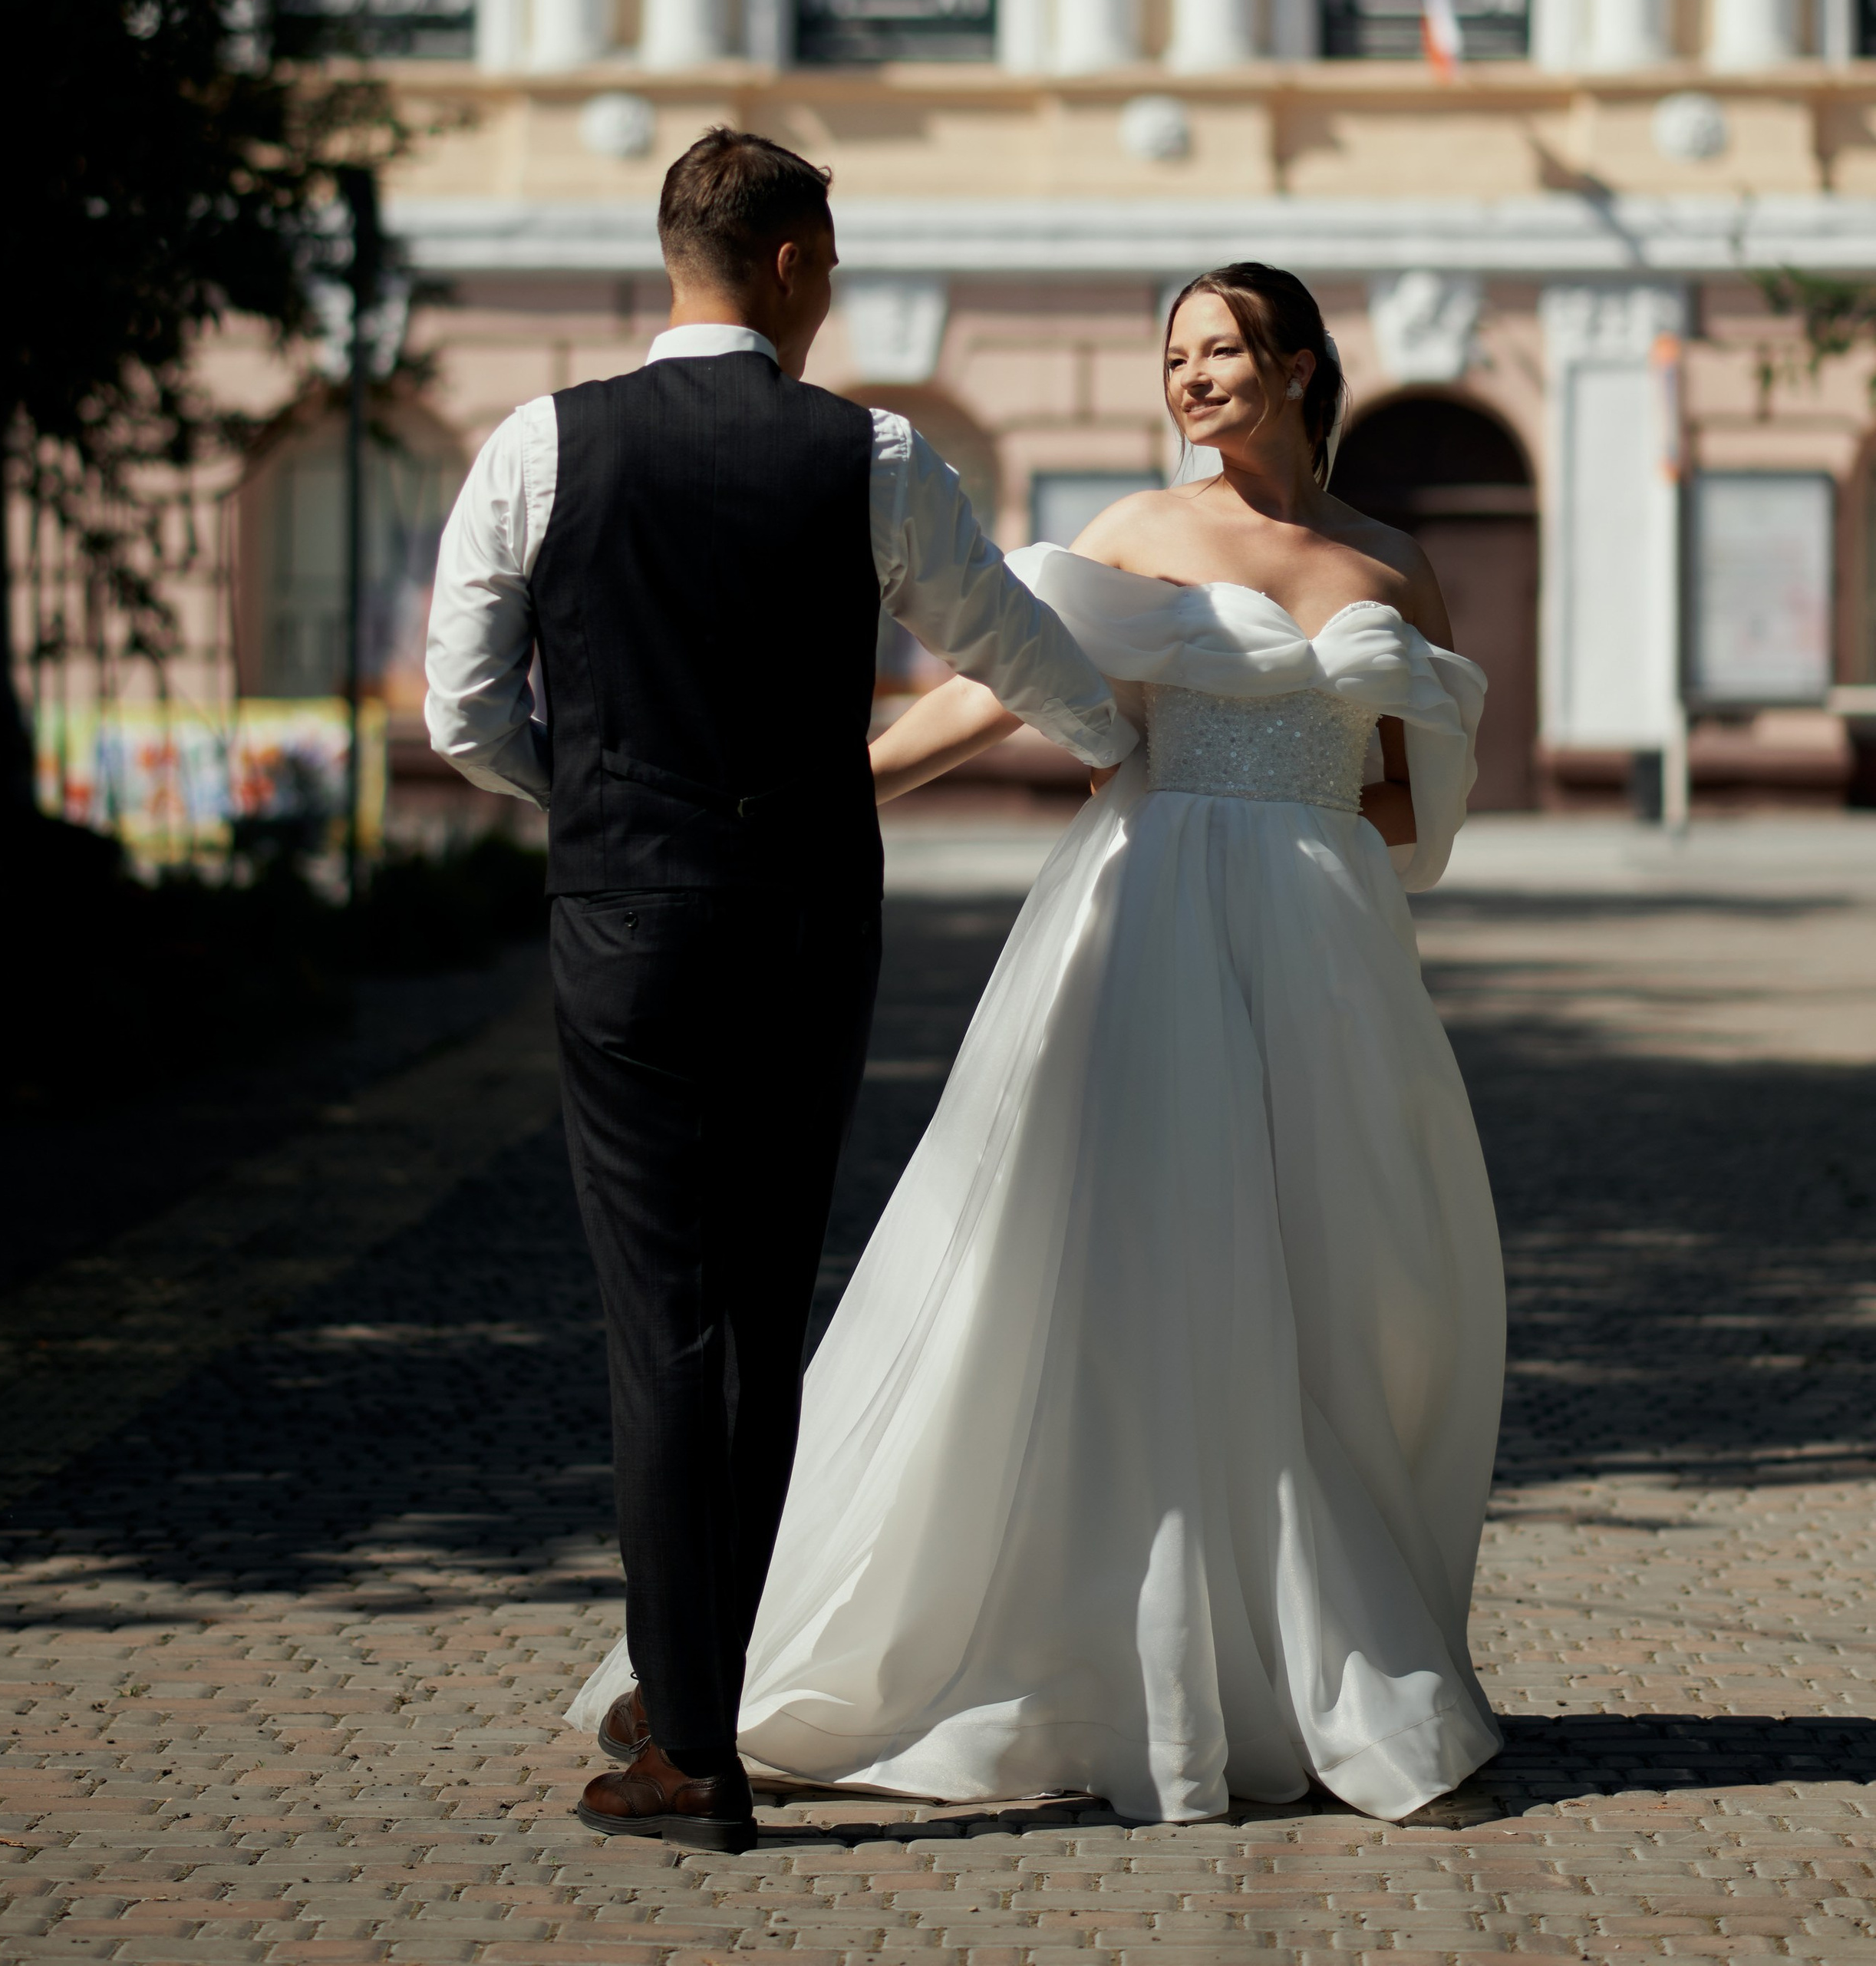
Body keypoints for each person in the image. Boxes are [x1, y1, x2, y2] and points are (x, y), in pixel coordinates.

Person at [572, 259, 1505, 1826]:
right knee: (1136, 1263)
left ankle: (1303, 1651)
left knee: (1350, 1277)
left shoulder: (1392, 564)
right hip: (1149, 924)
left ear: (1294, 366)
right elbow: (990, 694)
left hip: (1329, 944)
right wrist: (820, 794)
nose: (1188, 377)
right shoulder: (1139, 533)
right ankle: (1100, 1655)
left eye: (1217, 350)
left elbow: (1411, 798)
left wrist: (1290, 788)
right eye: (1173, 355)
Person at [424, 128, 1134, 1852]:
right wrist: (1125, 741)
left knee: (660, 1326)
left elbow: (461, 709)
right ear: (803, 262)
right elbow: (999, 643)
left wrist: (588, 799)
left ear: (674, 254)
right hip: (808, 918)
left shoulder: (541, 441)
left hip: (625, 919)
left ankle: (688, 1745)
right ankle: (702, 1722)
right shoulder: (869, 454)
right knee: (754, 1319)